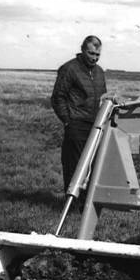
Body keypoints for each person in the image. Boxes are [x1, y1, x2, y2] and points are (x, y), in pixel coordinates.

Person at [51, 35, 107, 194]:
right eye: (91, 54)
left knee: (92, 166)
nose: (94, 58)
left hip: (95, 126)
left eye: (97, 55)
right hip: (76, 125)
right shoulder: (69, 69)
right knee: (74, 166)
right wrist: (68, 121)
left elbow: (102, 96)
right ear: (82, 50)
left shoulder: (100, 72)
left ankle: (86, 205)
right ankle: (72, 204)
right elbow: (58, 97)